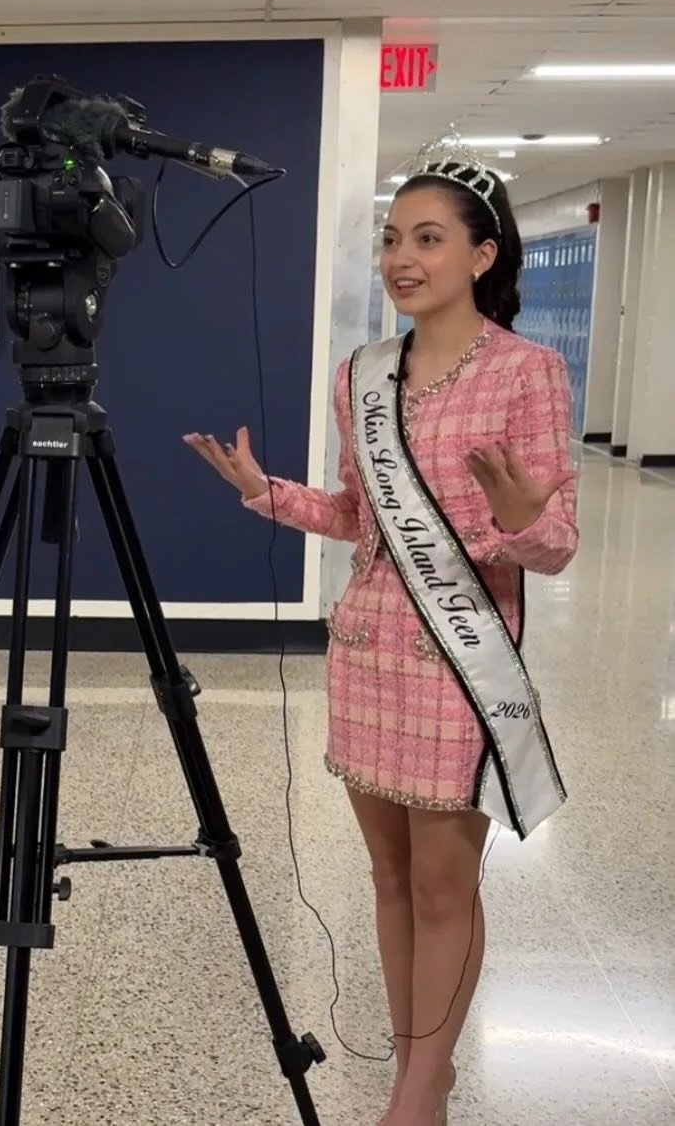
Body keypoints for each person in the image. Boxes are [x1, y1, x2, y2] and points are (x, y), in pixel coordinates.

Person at [184, 141, 579, 1126]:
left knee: (446, 884)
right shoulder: (359, 375)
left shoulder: (527, 373)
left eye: (429, 239)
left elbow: (557, 543)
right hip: (365, 655)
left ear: (482, 255)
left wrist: (522, 520)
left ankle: (421, 1088)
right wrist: (266, 493)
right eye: (394, 239)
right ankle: (416, 1063)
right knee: (391, 876)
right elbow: (360, 516)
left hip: (457, 662)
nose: (403, 258)